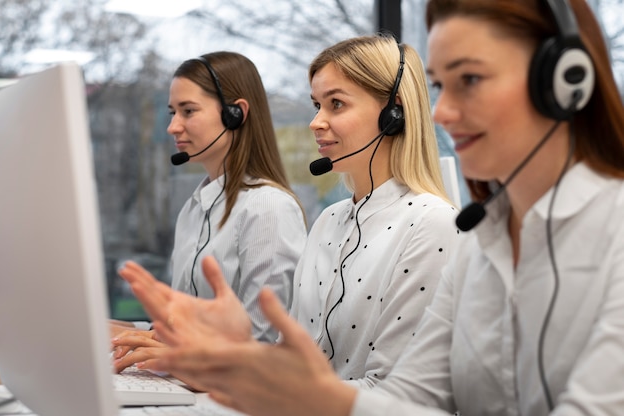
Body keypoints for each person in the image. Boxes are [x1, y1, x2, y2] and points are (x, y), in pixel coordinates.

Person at [116, 0, 624, 414]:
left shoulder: (449, 227)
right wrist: (241, 360)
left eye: (468, 79)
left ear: (564, 81)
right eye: (442, 86)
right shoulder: (480, 242)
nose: (443, 111)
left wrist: (247, 364)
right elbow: (412, 398)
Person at [114, 34, 460, 386]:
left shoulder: (432, 224)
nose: (316, 122)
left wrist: (224, 368)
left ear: (393, 113)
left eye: (336, 104)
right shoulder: (329, 221)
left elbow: (395, 393)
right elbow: (287, 358)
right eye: (316, 105)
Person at [110, 51, 307, 364]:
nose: (173, 127)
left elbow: (263, 343)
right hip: (185, 383)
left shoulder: (268, 208)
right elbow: (185, 328)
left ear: (235, 113)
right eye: (173, 112)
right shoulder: (194, 207)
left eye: (188, 111)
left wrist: (173, 352)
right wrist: (121, 331)